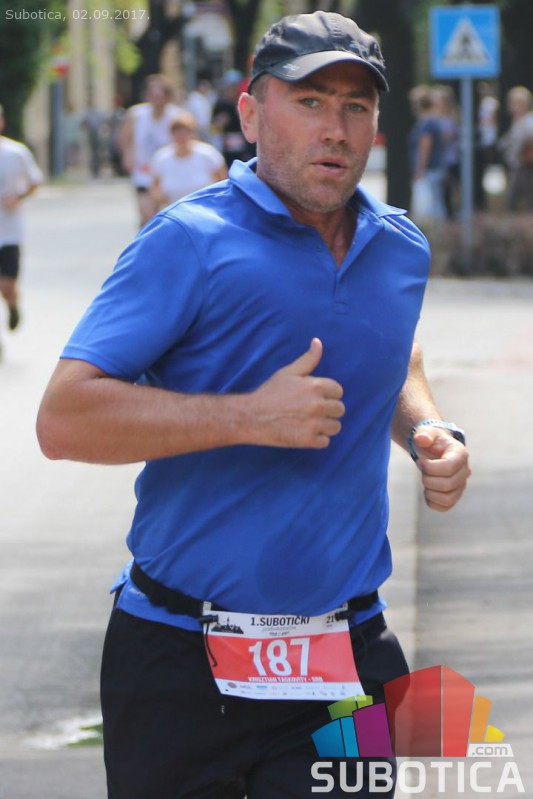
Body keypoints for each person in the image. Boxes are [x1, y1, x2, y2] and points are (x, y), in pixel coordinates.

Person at [36, 11, 471, 798]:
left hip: (346, 649)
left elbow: (394, 351)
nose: (334, 128)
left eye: (355, 106)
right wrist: (246, 415)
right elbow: (63, 419)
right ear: (249, 113)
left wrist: (425, 427)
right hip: (178, 656)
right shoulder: (188, 240)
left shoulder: (399, 247)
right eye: (309, 101)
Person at [0, 105, 43, 341]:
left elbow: (35, 181)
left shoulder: (16, 152)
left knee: (7, 285)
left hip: (9, 231)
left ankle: (12, 304)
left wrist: (18, 197)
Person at [118, 74, 182, 226]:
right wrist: (127, 156)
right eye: (153, 96)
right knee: (147, 214)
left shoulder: (176, 116)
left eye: (160, 96)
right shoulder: (136, 115)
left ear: (168, 97)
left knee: (169, 216)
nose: (156, 100)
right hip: (144, 169)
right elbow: (125, 137)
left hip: (169, 171)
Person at [150, 110, 227, 210]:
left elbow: (223, 181)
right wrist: (161, 199)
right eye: (177, 132)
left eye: (185, 132)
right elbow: (154, 187)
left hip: (205, 208)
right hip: (174, 209)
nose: (181, 136)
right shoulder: (161, 157)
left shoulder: (208, 154)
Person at [408, 84, 447, 223]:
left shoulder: (426, 123)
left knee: (429, 206)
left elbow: (425, 147)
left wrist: (419, 170)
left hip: (428, 170)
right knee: (437, 202)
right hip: (435, 168)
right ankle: (440, 230)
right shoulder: (435, 120)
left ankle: (433, 230)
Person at [498, 86, 533, 211]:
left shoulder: (528, 121)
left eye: (519, 104)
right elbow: (509, 140)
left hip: (524, 163)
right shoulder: (517, 122)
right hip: (517, 163)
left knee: (513, 197)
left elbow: (527, 138)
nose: (515, 108)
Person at [211, 69, 256, 167]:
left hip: (246, 144)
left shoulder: (246, 101)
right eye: (230, 86)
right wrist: (219, 123)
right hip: (227, 146)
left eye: (235, 86)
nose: (232, 90)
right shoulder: (221, 104)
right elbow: (213, 128)